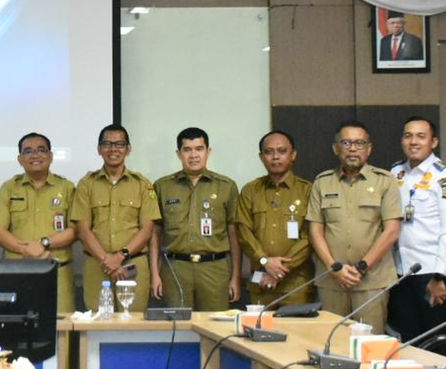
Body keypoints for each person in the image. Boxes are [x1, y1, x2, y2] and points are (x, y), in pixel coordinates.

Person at [305, 121, 403, 331]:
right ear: (336, 148)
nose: (352, 148)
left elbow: (391, 231)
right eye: (346, 142)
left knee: (369, 343)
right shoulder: (322, 182)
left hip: (371, 281)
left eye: (359, 143)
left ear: (369, 148)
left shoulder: (384, 181)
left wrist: (361, 267)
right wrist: (334, 267)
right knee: (331, 341)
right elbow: (315, 230)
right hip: (331, 280)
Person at [387, 117, 446, 342]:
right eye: (408, 136)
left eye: (421, 136)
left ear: (434, 142)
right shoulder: (395, 173)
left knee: (435, 340)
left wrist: (440, 276)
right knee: (406, 339)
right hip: (402, 272)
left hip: (432, 271)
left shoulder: (445, 178)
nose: (413, 142)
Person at [71, 124, 160, 314]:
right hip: (96, 265)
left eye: (119, 144)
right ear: (99, 149)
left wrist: (120, 257)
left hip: (133, 265)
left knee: (133, 323)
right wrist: (107, 260)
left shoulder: (142, 184)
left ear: (128, 149)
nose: (113, 149)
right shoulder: (87, 184)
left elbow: (147, 229)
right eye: (107, 144)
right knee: (96, 322)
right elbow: (83, 229)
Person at [0, 132, 77, 313]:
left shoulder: (66, 187)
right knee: (18, 329)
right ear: (20, 159)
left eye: (41, 150)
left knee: (61, 331)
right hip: (17, 272)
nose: (35, 155)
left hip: (57, 272)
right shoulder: (9, 187)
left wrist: (43, 243)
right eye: (28, 151)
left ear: (51, 156)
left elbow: (75, 230)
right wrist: (25, 249)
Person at [154, 127, 239, 311]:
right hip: (175, 268)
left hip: (214, 268)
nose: (193, 155)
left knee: (215, 328)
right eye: (187, 149)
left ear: (208, 151)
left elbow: (234, 235)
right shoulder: (163, 186)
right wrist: (155, 274)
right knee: (178, 328)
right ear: (179, 153)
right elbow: (155, 234)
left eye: (199, 149)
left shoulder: (226, 186)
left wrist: (235, 277)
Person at [232, 130, 314, 305]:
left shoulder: (308, 190)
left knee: (297, 332)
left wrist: (279, 270)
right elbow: (243, 232)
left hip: (296, 284)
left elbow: (310, 237)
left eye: (282, 151)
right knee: (258, 330)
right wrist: (265, 260)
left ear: (293, 155)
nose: (275, 157)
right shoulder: (250, 190)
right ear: (261, 157)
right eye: (269, 152)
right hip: (260, 282)